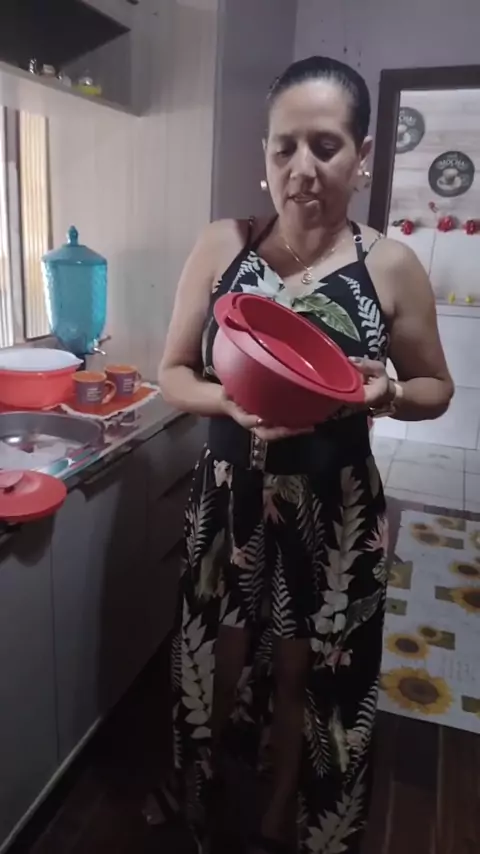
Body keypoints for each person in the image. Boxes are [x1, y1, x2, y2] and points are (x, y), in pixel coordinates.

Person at [158, 56, 453, 854]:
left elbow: (437, 388)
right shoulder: (224, 244)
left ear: (362, 156)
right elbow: (173, 372)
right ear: (263, 154)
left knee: (305, 673)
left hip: (333, 506)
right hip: (229, 499)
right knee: (216, 659)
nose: (302, 168)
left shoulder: (389, 265)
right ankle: (200, 792)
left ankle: (283, 809)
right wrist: (226, 401)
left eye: (325, 146)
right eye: (283, 146)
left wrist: (386, 393)